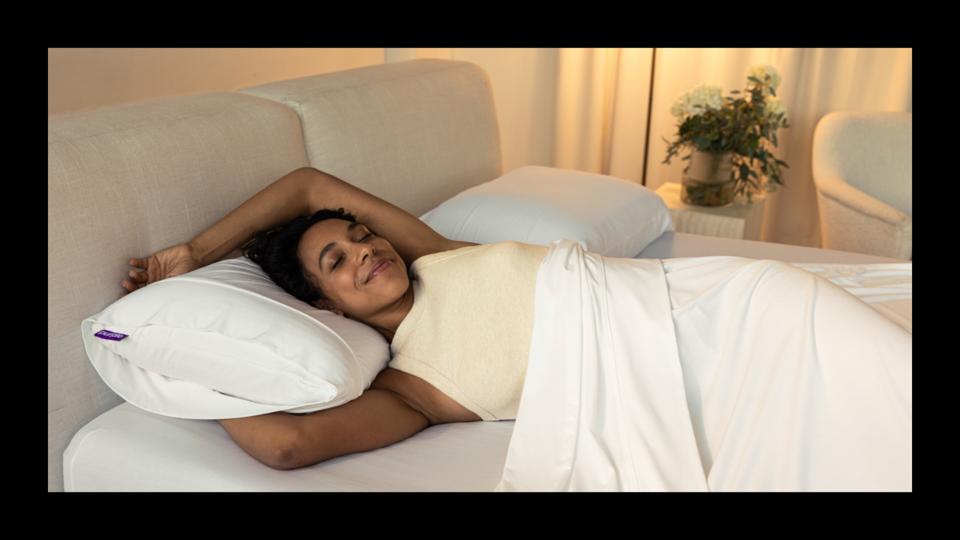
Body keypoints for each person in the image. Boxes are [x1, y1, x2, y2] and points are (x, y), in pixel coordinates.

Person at [121, 167, 539, 470]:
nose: (366, 250)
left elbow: (308, 187)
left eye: (364, 236)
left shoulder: (439, 256)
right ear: (325, 306)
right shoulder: (413, 387)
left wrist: (199, 250)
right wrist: (184, 361)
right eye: (337, 260)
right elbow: (287, 445)